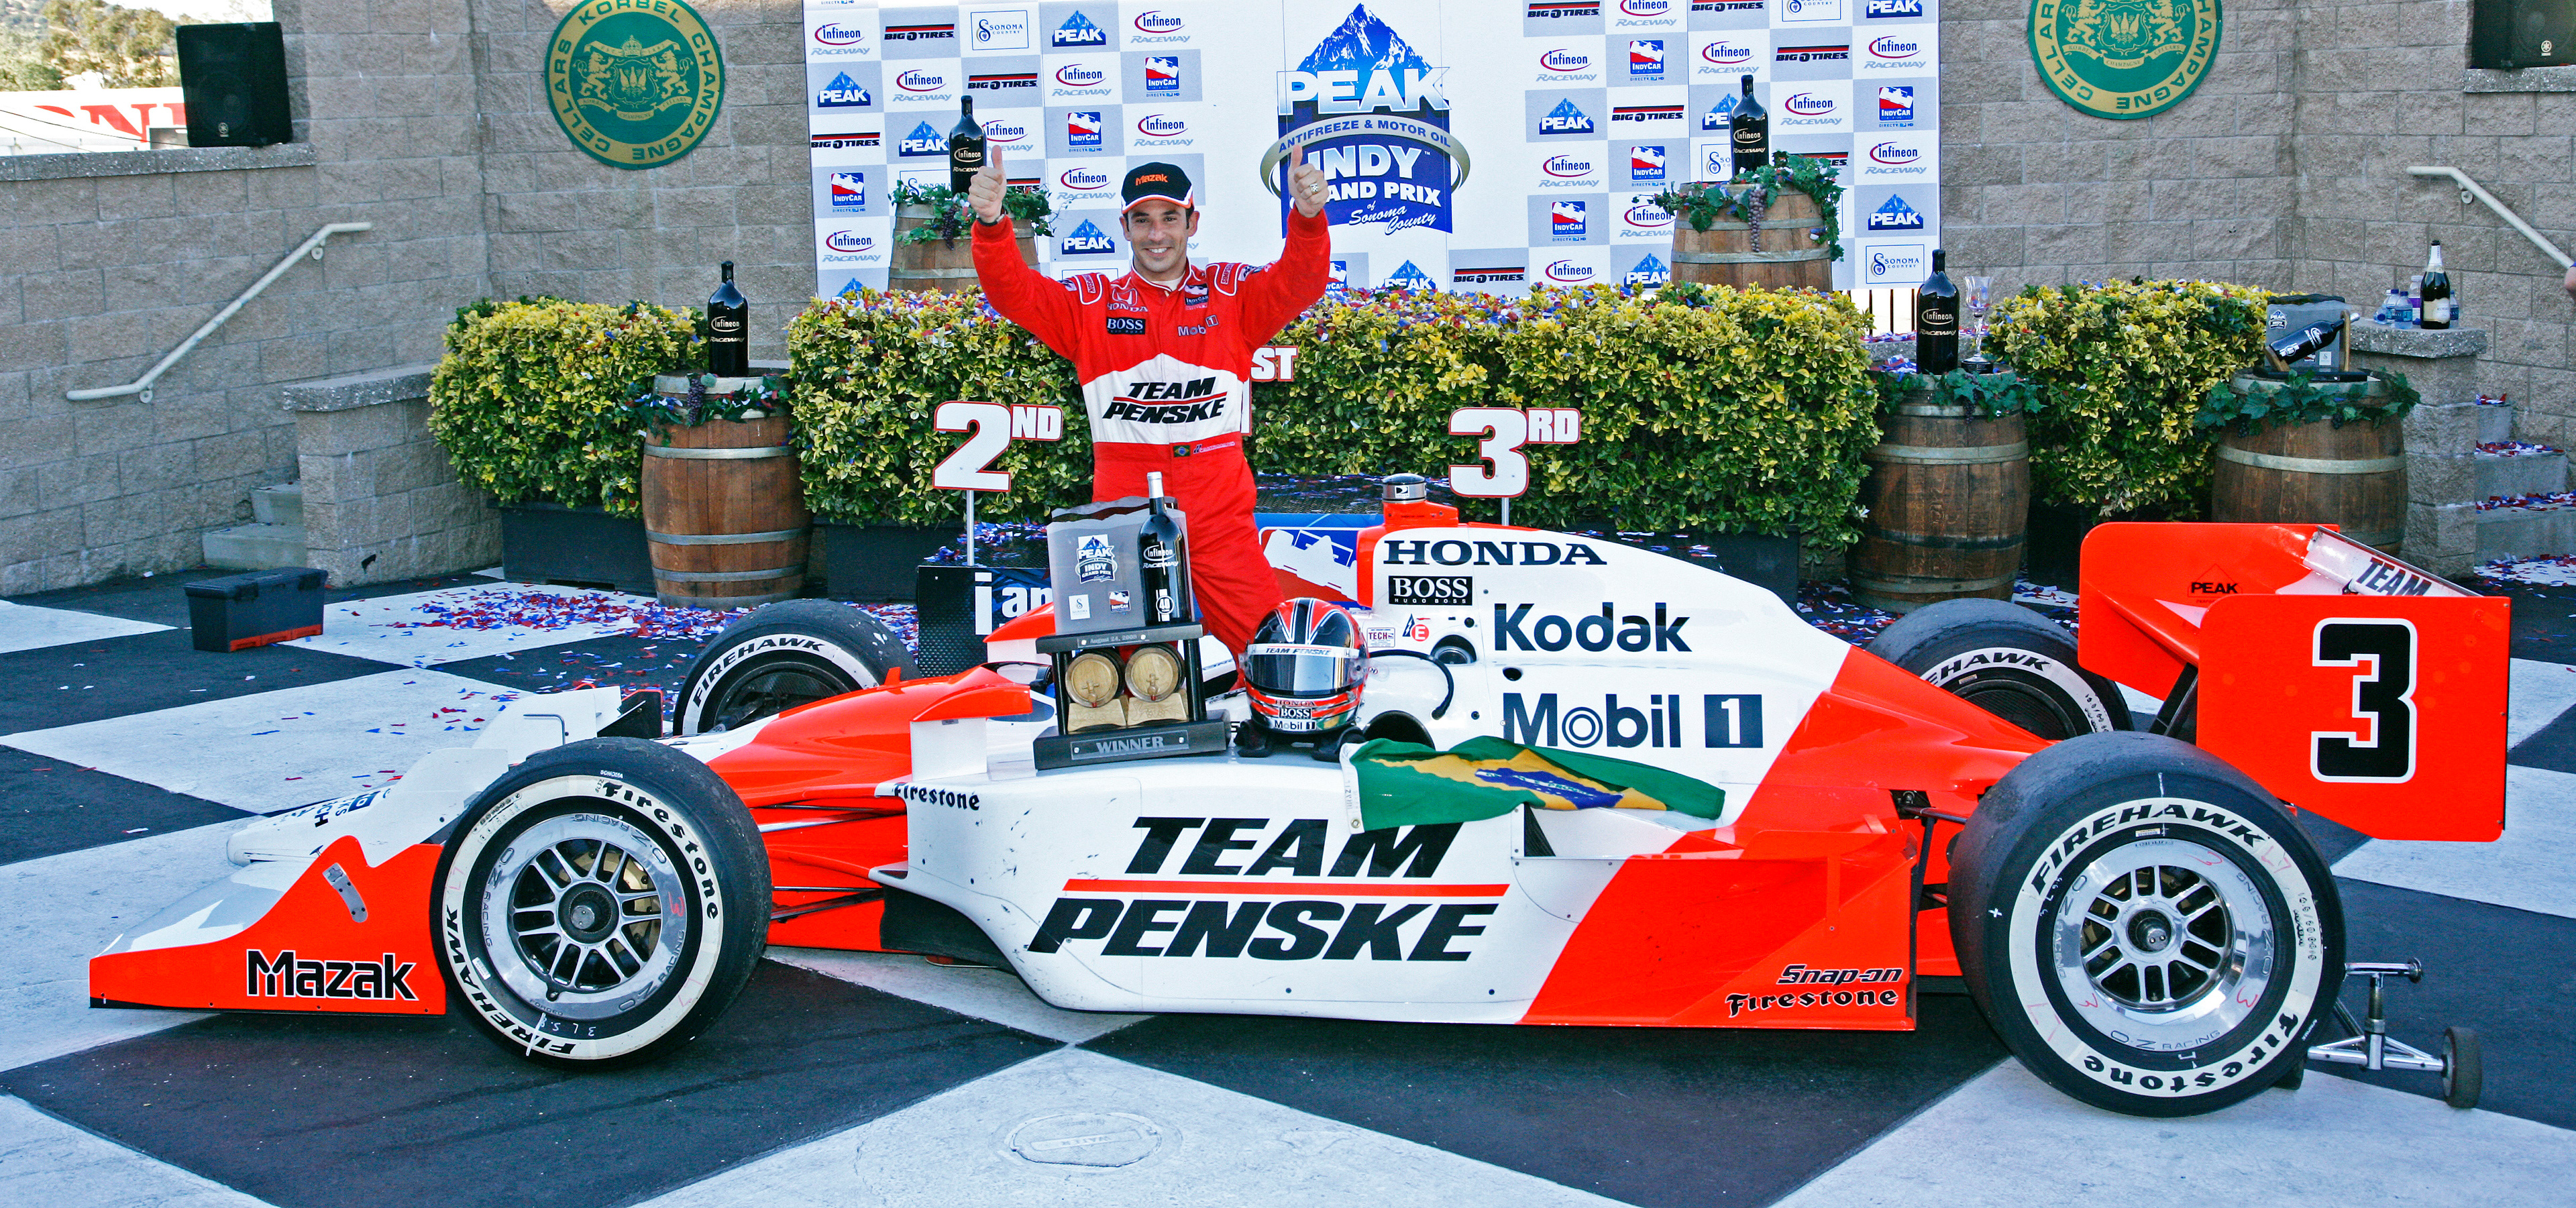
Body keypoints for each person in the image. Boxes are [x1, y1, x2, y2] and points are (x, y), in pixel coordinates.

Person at [966, 144, 1333, 657]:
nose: (1156, 234)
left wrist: (1309, 218)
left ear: (1192, 221)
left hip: (1217, 506)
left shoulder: (1232, 296)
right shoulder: (1091, 302)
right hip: (1122, 506)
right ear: (1124, 226)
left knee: (1268, 650)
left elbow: (1301, 281)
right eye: (1142, 220)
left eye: (1169, 218)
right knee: (1119, 665)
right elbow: (1015, 293)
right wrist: (992, 224)